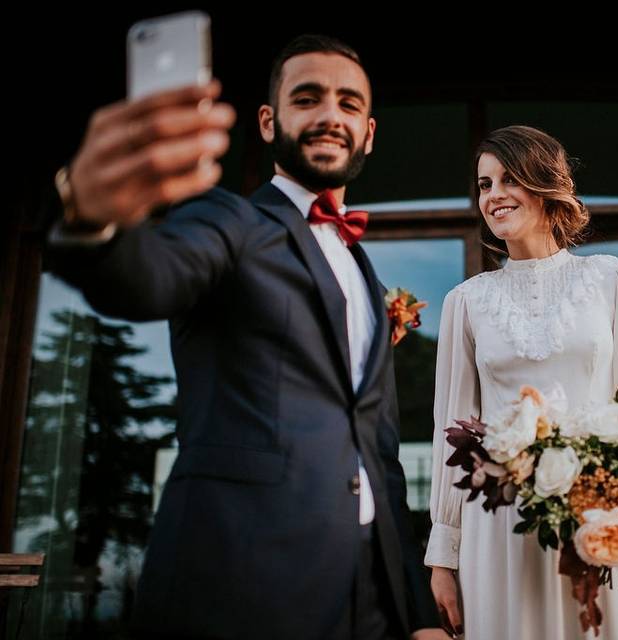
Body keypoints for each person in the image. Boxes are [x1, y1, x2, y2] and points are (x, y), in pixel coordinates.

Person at [45, 33, 444, 639]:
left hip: (372, 600)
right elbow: (147, 277)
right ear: (268, 121)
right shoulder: (229, 220)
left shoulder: (366, 275)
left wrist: (416, 615)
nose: (330, 115)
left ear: (368, 131)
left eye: (348, 103)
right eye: (307, 98)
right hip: (244, 587)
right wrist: (93, 220)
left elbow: (381, 458)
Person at [425, 125, 618, 639]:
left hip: (602, 517)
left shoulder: (615, 279)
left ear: (544, 183)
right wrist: (443, 558)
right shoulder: (465, 303)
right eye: (483, 185)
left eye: (507, 179)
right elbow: (447, 433)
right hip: (498, 526)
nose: (493, 195)